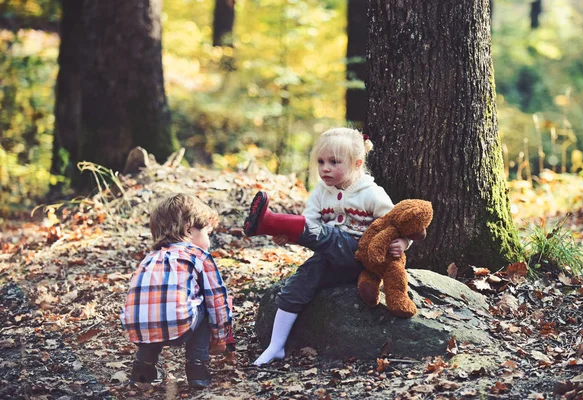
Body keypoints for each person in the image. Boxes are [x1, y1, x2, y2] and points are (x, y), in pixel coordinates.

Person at [244, 127, 413, 366]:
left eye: (334, 162)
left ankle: (269, 222)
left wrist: (403, 242)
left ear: (357, 163)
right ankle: (276, 346)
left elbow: (401, 223)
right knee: (298, 283)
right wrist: (289, 236)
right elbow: (309, 225)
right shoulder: (321, 193)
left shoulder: (372, 193)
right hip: (330, 258)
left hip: (359, 255)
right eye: (321, 161)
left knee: (330, 236)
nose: (325, 168)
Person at [120, 193, 234, 388]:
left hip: (138, 326)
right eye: (207, 233)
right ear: (189, 230)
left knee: (156, 309)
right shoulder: (199, 256)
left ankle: (142, 370)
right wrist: (220, 338)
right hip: (180, 323)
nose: (209, 240)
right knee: (205, 305)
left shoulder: (149, 258)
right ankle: (197, 368)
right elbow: (217, 301)